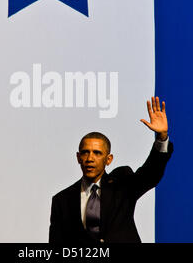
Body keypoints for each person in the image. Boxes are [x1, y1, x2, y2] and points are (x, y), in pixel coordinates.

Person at [49, 96, 173, 243]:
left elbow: (151, 174)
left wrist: (162, 137)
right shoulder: (62, 200)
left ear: (109, 159)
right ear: (78, 157)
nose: (90, 158)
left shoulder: (123, 184)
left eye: (97, 153)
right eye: (85, 152)